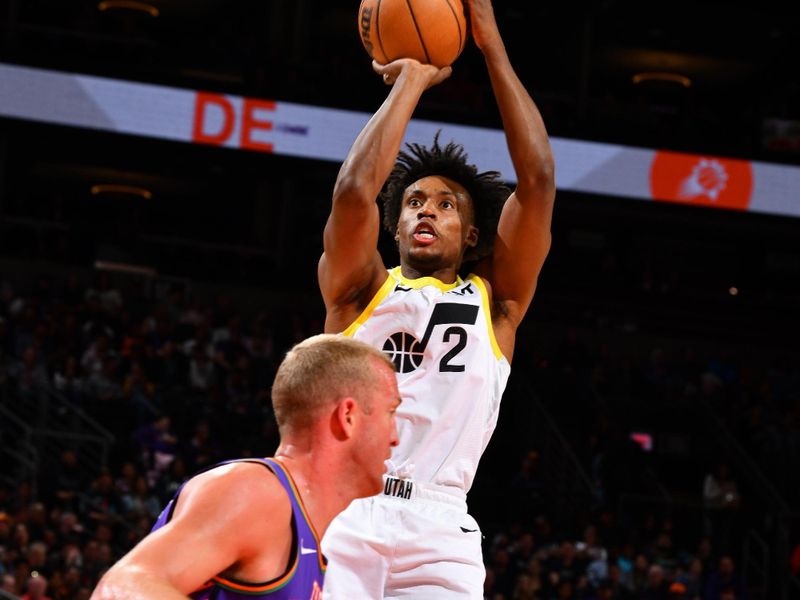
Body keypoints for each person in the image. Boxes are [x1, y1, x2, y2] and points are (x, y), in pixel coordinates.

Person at [317, 0, 555, 596]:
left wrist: (491, 45)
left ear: (471, 235)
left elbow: (540, 181)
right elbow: (352, 193)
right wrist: (411, 83)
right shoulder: (359, 291)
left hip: (441, 527)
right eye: (415, 202)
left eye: (446, 205)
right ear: (394, 227)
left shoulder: (497, 304)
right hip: (347, 507)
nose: (427, 209)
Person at [91, 334, 401, 599]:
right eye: (391, 413)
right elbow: (122, 587)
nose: (396, 437)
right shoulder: (257, 492)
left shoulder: (312, 536)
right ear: (347, 416)